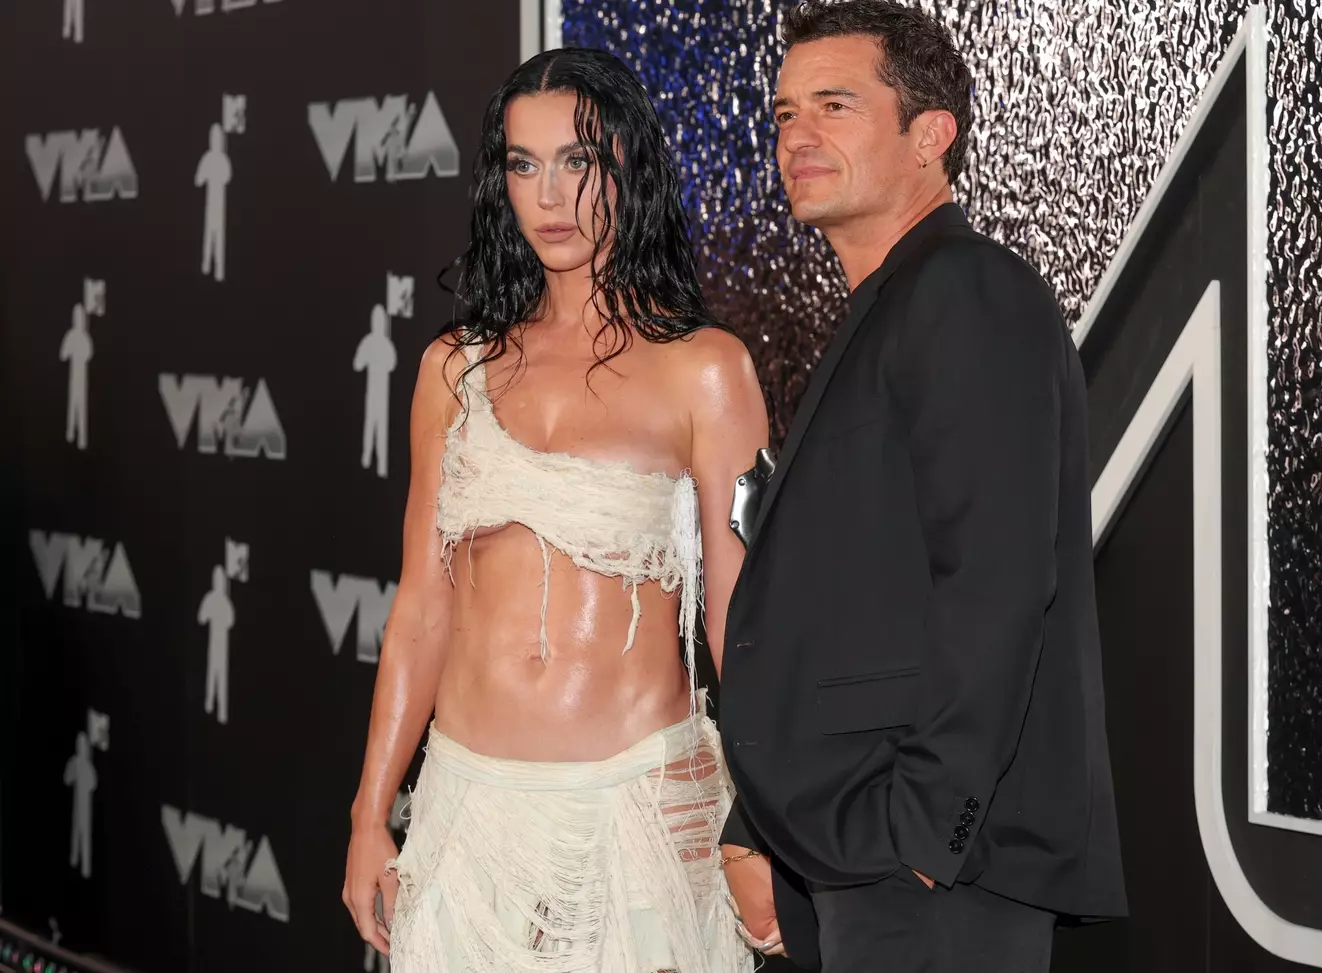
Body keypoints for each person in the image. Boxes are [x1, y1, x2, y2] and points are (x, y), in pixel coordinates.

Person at [718, 2, 1128, 970]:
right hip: (853, 844)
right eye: (782, 113)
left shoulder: (964, 292)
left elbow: (996, 580)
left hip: (933, 858)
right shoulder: (892, 305)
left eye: (835, 105)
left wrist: (922, 832)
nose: (798, 136)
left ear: (930, 136)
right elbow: (842, 600)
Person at [341, 47, 768, 973]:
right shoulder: (452, 370)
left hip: (639, 817)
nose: (550, 195)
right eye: (524, 164)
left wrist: (767, 822)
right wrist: (372, 811)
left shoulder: (705, 369)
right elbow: (421, 603)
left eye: (578, 161)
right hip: (466, 812)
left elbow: (743, 623)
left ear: (630, 166)